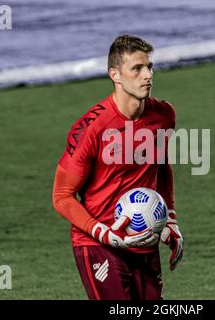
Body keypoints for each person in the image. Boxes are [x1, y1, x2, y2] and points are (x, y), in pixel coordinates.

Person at [52, 34, 184, 300]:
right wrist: (104, 233)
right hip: (99, 244)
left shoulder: (163, 115)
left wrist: (170, 218)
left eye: (149, 67)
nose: (147, 75)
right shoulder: (90, 128)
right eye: (137, 68)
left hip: (143, 239)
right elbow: (62, 196)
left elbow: (161, 166)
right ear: (116, 75)